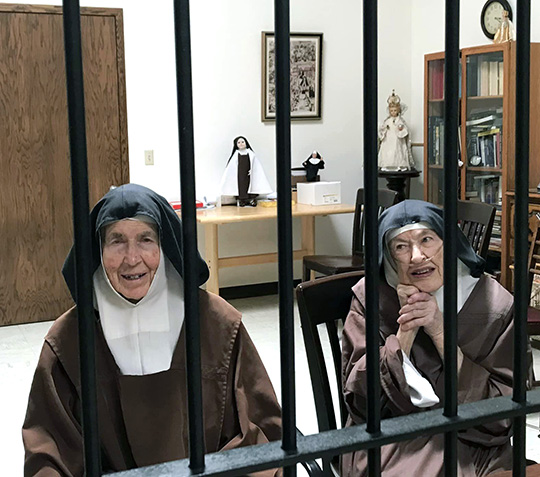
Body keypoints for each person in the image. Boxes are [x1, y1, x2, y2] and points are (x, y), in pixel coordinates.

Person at [22, 184, 282, 476]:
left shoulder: (216, 324)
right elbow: (48, 453)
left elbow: (259, 432)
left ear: (165, 245)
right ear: (98, 251)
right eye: (116, 240)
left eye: (146, 239)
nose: (132, 258)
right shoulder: (69, 339)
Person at [342, 199, 522, 477]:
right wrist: (406, 329)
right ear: (388, 256)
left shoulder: (494, 304)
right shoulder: (370, 299)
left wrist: (439, 331)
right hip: (392, 438)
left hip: (475, 438)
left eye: (427, 239)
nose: (416, 256)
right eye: (400, 247)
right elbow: (360, 402)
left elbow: (507, 411)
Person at [220, 136, 273, 207]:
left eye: (242, 142)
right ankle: (242, 200)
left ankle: (252, 199)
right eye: (239, 142)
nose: (241, 144)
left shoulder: (251, 153)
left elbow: (255, 164)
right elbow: (232, 166)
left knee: (251, 186)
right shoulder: (236, 154)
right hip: (240, 174)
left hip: (249, 173)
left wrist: (253, 170)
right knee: (241, 187)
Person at [378, 90, 415, 171]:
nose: (393, 112)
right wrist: (384, 129)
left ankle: (399, 165)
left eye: (395, 110)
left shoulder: (400, 120)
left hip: (397, 139)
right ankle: (386, 165)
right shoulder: (387, 120)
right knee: (388, 152)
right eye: (391, 111)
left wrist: (400, 129)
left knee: (397, 151)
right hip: (388, 139)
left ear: (398, 110)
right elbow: (382, 130)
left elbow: (405, 130)